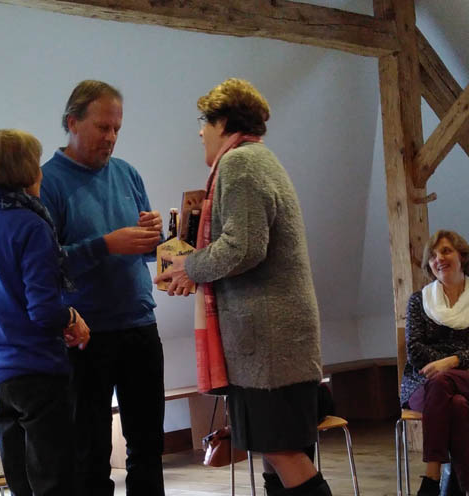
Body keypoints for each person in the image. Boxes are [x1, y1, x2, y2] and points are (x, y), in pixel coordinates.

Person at [155, 78, 330, 496]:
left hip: (267, 344)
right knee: (279, 451)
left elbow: (245, 246)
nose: (200, 132)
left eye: (204, 122)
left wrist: (189, 267)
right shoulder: (259, 159)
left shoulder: (240, 164)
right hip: (276, 340)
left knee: (281, 450)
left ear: (223, 122)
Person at [39, 80, 165, 496]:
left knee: (148, 447)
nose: (111, 137)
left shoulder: (127, 173)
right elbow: (46, 264)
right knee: (89, 454)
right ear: (72, 122)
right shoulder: (47, 182)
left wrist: (155, 237)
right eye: (102, 127)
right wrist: (106, 245)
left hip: (139, 325)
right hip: (84, 335)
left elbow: (151, 252)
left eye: (117, 129)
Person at [0, 129, 90, 496]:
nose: (42, 172)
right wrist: (72, 318)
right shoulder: (33, 226)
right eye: (36, 164)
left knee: (21, 484)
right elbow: (44, 310)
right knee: (55, 482)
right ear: (27, 172)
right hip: (39, 372)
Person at [399, 230, 469, 496]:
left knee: (443, 381)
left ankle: (431, 476)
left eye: (445, 251)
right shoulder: (418, 301)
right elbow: (415, 351)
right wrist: (465, 362)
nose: (438, 259)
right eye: (432, 256)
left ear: (462, 256)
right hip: (422, 382)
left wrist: (449, 363)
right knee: (455, 405)